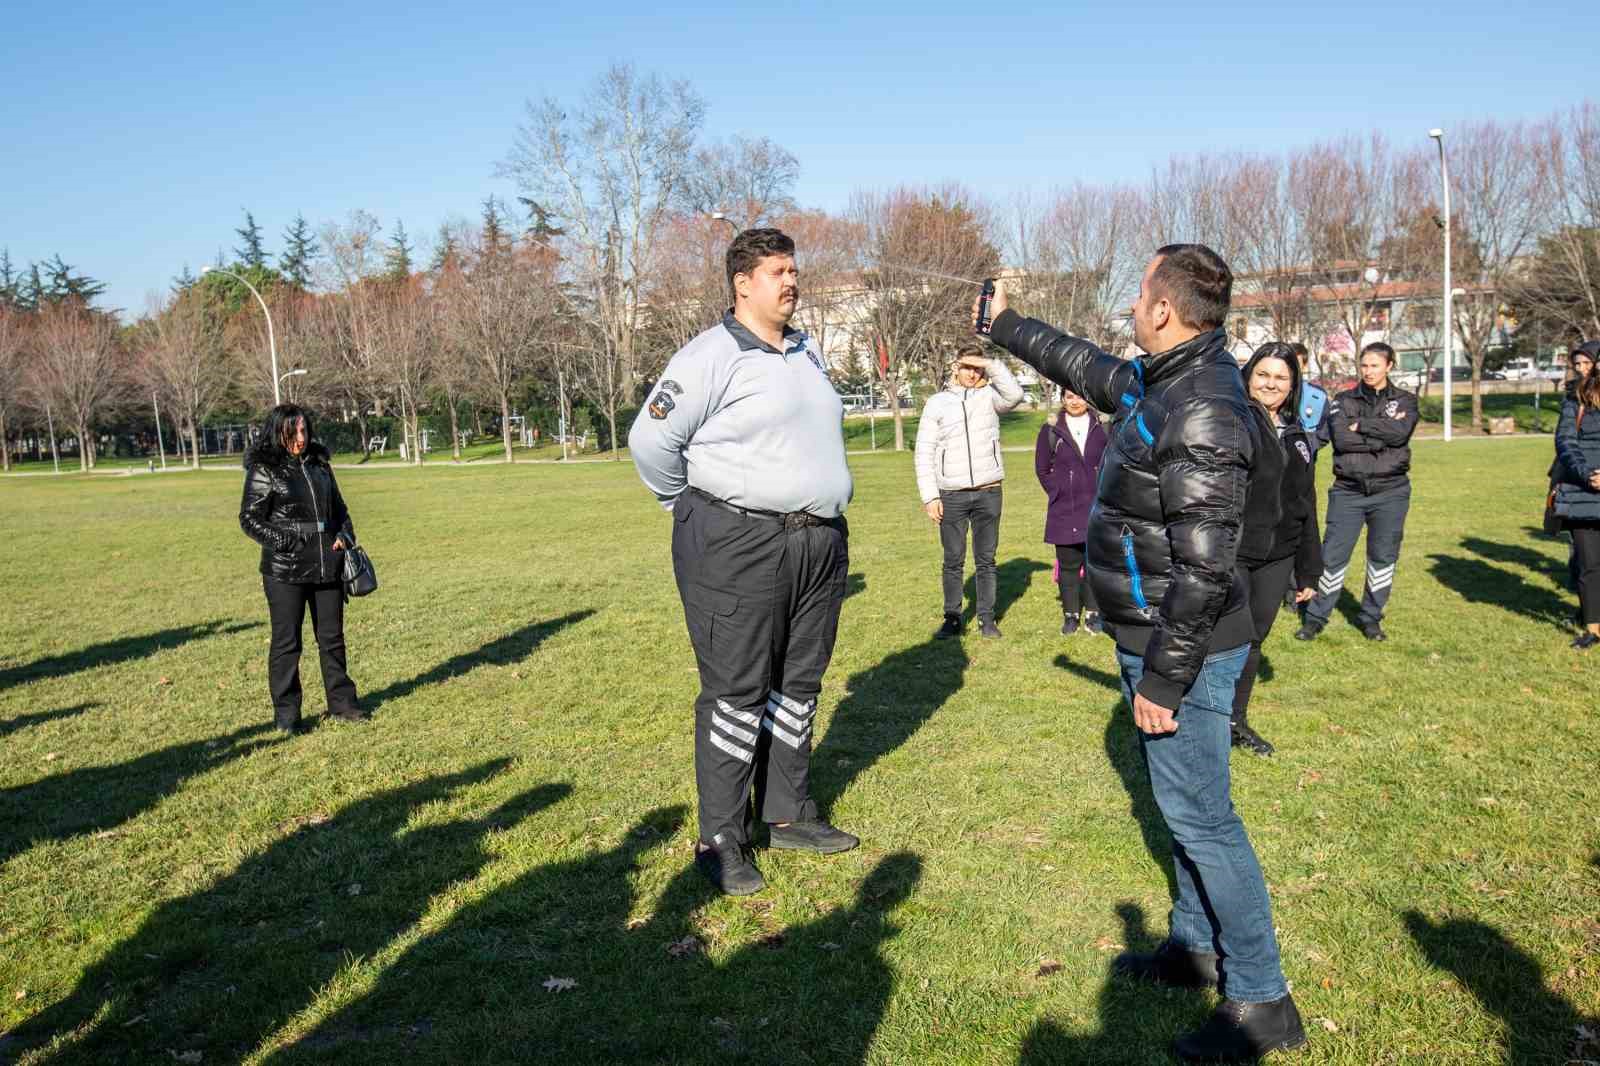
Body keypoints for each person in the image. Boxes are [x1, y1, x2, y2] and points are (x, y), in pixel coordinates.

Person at [980, 244, 1306, 1062]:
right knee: (1184, 810)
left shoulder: (1204, 409)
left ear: (1163, 309)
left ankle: (1263, 1000)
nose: (1130, 307)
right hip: (1151, 635)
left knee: (1205, 818)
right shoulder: (1163, 381)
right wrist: (1006, 326)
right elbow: (1086, 365)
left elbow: (1204, 565)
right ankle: (1194, 948)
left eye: (1137, 294)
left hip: (1182, 647)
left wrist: (1164, 674)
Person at [628, 227, 858, 897]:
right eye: (779, 271)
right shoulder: (708, 356)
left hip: (816, 543)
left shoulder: (806, 351)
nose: (792, 281)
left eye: (794, 269)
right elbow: (651, 441)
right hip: (736, 543)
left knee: (799, 684)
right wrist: (693, 508)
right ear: (743, 284)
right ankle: (721, 838)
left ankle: (787, 813)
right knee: (737, 692)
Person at [238, 404, 362, 734]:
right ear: (278, 432)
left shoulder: (320, 465)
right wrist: (288, 542)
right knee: (287, 642)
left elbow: (342, 511)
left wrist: (344, 536)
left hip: (327, 565)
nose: (301, 438)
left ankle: (343, 704)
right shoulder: (265, 469)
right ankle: (287, 715)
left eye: (305, 430)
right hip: (285, 570)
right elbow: (250, 519)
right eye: (294, 432)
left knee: (332, 638)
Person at [1231, 344, 1322, 756]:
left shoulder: (1300, 435)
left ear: (1293, 384)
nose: (1270, 384)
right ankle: (1201, 719)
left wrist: (1308, 570)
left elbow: (1307, 503)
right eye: (1263, 374)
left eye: (1281, 378)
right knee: (1221, 638)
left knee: (1254, 638)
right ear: (1248, 375)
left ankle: (1236, 720)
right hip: (1234, 550)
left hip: (1278, 554)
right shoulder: (1234, 421)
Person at [1297, 342, 1418, 643]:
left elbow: (1400, 433)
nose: (1368, 371)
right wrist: (1380, 437)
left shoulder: (1406, 400)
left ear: (1389, 366)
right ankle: (1315, 618)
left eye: (1375, 365)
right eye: (1364, 365)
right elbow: (1341, 438)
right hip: (1347, 492)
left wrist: (1361, 425)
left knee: (1382, 556)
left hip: (1391, 491)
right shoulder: (1343, 399)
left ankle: (1371, 619)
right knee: (1332, 555)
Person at [913, 345, 1024, 639]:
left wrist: (990, 363)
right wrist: (930, 496)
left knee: (986, 559)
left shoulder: (991, 397)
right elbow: (924, 451)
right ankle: (952, 617)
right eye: (966, 367)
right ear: (955, 368)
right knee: (953, 558)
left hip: (989, 491)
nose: (972, 373)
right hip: (952, 494)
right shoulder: (937, 403)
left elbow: (1015, 395)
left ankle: (987, 618)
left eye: (977, 368)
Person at [1034, 386, 1107, 636]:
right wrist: (1057, 491)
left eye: (1079, 396)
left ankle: (1094, 613)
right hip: (1064, 508)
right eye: (1069, 397)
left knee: (1095, 563)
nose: (1075, 401)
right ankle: (1071, 614)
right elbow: (1042, 468)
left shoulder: (1104, 426)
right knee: (1068, 565)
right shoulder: (1051, 430)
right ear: (1062, 399)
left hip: (1097, 507)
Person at [1554, 363, 1600, 649]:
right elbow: (1566, 441)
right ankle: (1593, 629)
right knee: (1589, 564)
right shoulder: (1576, 399)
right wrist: (1588, 475)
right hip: (1583, 491)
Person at [1290, 342, 1330, 453]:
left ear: (1305, 365)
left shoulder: (1318, 396)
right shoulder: (1270, 391)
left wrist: (1306, 448)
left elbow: (1326, 429)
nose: (1292, 368)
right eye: (1288, 363)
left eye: (1296, 364)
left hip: (1306, 462)